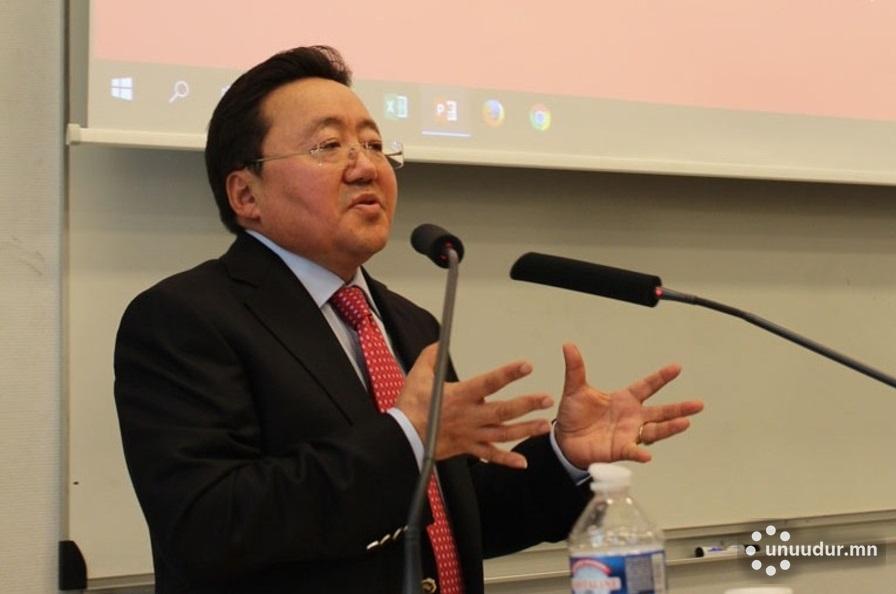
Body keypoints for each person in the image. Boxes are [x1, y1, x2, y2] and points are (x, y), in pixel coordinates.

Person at [114, 45, 703, 594]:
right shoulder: (184, 320)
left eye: (375, 145)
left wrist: (565, 455)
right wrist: (405, 439)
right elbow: (208, 525)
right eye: (328, 146)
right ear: (246, 194)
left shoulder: (409, 323)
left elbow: (451, 520)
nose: (365, 167)